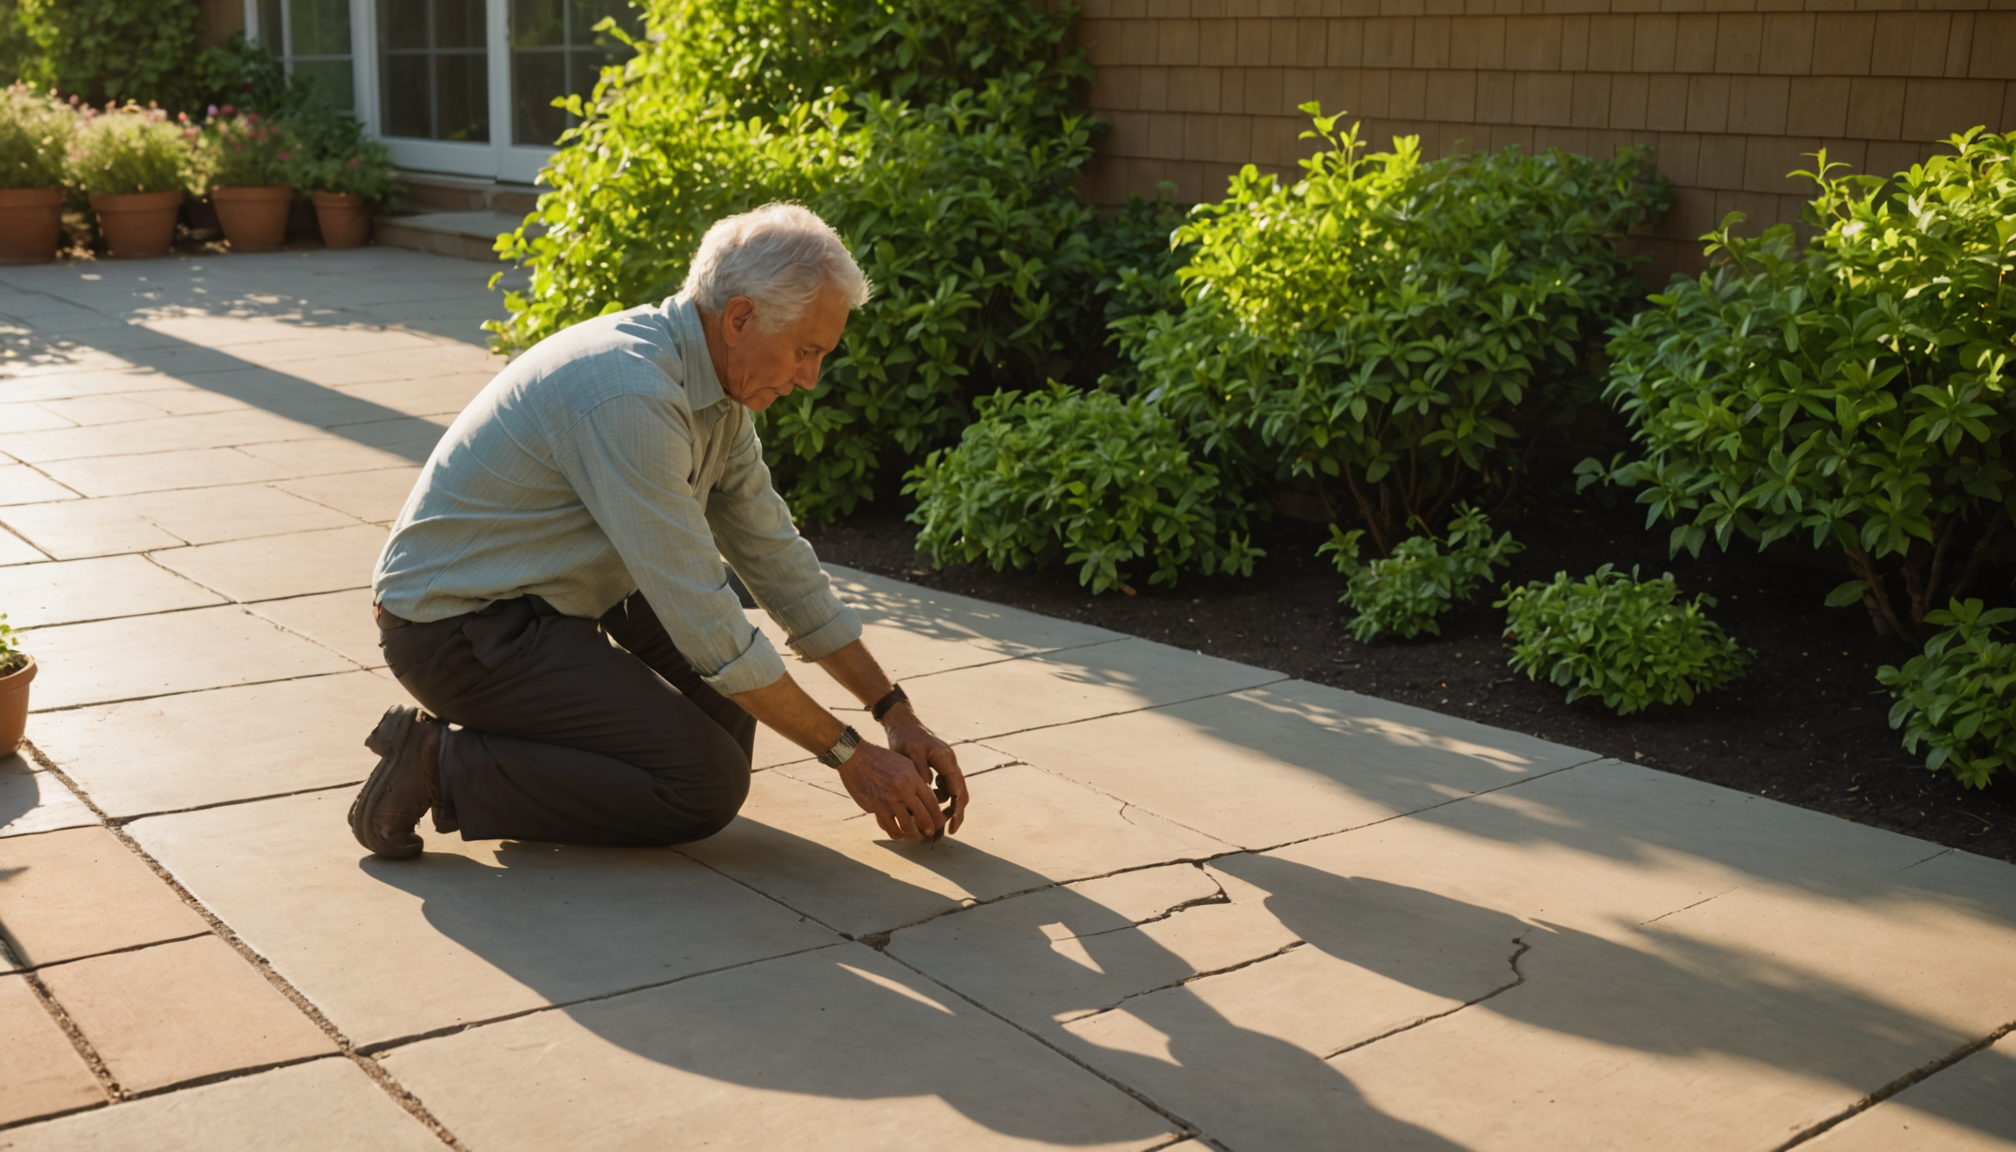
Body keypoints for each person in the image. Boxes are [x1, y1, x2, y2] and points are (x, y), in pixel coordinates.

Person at [352, 203, 968, 860]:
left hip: (559, 595)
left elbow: (777, 560)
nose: (809, 378)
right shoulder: (631, 396)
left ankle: (530, 748)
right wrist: (853, 756)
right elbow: (710, 628)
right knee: (702, 783)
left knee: (727, 723)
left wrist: (894, 711)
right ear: (739, 319)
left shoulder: (713, 390)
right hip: (456, 631)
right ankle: (437, 765)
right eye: (805, 351)